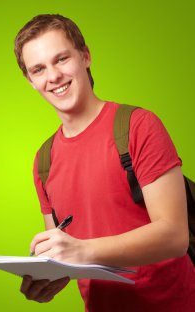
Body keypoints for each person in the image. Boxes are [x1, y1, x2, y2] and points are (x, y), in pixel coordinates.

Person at [13, 14, 195, 311]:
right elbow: (68, 254)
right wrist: (49, 278)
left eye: (61, 59)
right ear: (31, 81)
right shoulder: (43, 160)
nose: (53, 76)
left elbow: (175, 235)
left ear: (85, 56)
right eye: (39, 69)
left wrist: (81, 250)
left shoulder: (137, 126)